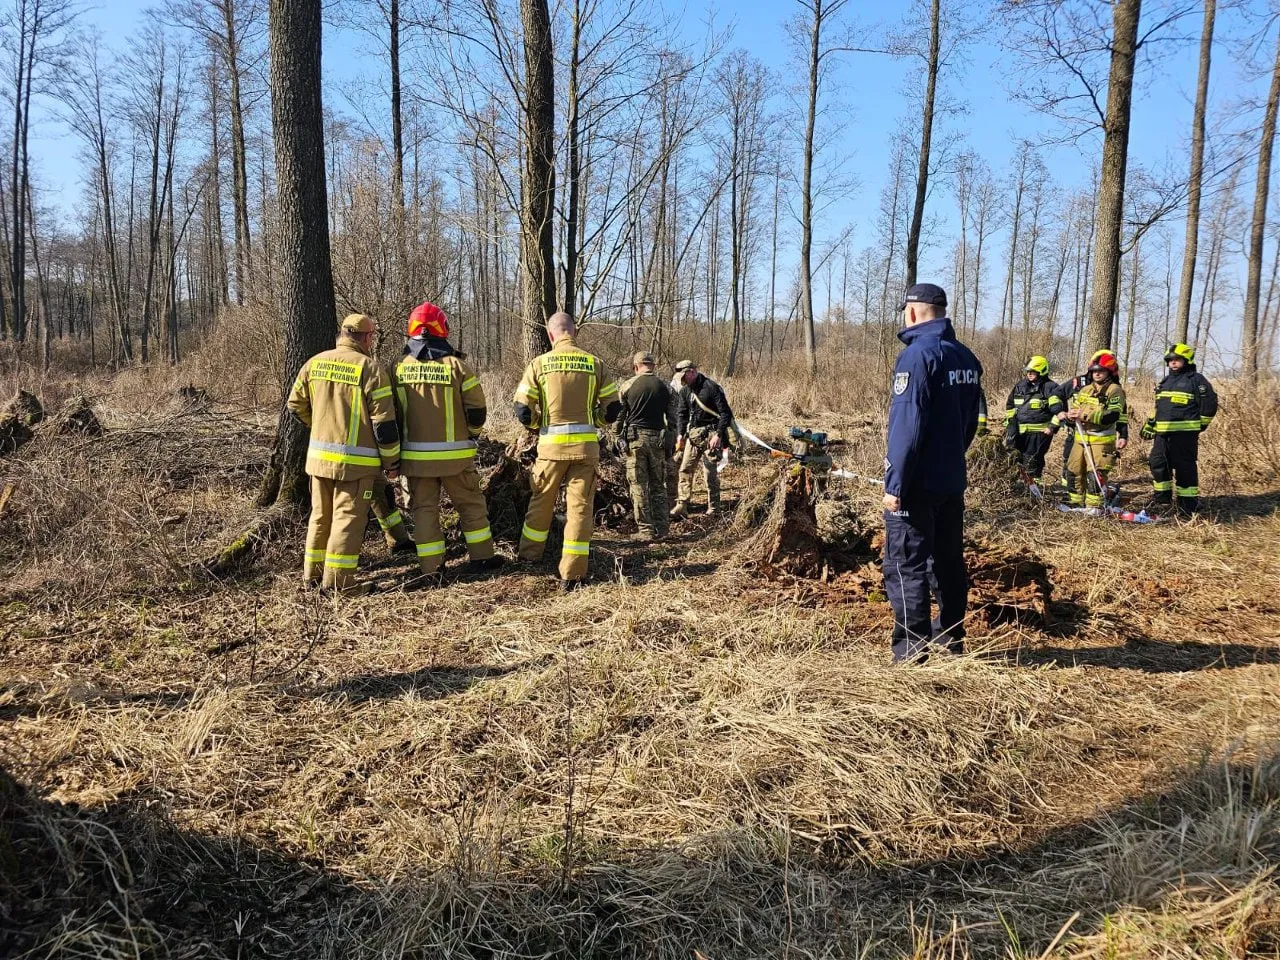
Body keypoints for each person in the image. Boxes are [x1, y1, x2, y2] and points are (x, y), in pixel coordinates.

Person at [882, 283, 983, 664]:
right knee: (947, 560)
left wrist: (895, 484)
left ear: (912, 312)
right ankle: (950, 638)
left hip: (916, 485)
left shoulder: (916, 357)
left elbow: (906, 426)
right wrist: (951, 458)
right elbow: (970, 423)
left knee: (905, 563)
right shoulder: (966, 358)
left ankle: (911, 651)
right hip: (950, 480)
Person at [287, 313, 401, 596]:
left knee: (320, 516)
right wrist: (391, 463)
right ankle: (339, 584)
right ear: (365, 337)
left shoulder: (313, 363)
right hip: (355, 465)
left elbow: (295, 404)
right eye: (371, 337)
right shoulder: (370, 369)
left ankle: (311, 576)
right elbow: (384, 427)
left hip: (317, 460)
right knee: (347, 519)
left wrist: (319, 425)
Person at [393, 301, 500, 579]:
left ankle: (431, 569)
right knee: (471, 506)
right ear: (443, 329)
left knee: (424, 510)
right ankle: (483, 559)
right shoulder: (457, 366)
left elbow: (388, 413)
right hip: (456, 458)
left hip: (415, 459)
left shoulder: (397, 368)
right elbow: (477, 410)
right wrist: (472, 436)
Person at [514, 312, 620, 590]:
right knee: (580, 510)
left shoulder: (539, 364)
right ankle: (572, 575)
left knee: (541, 503)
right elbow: (613, 409)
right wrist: (593, 421)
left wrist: (539, 424)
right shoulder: (595, 364)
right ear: (574, 333)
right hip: (585, 449)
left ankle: (528, 557)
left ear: (551, 335)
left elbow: (523, 410)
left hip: (550, 449)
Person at [1140, 342, 1217, 517]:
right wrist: (1151, 424)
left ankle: (1188, 505)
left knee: (1184, 467)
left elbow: (1209, 405)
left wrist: (1200, 425)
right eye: (1170, 360)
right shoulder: (1165, 381)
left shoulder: (1196, 380)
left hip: (1185, 435)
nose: (1173, 363)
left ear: (1187, 359)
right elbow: (1160, 408)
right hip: (1163, 433)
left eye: (1177, 360)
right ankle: (1162, 499)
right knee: (1157, 461)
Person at [1055, 350, 1125, 515]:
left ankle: (1095, 506)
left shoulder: (1115, 390)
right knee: (1073, 471)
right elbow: (1076, 409)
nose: (1097, 374)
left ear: (1110, 371)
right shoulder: (1085, 390)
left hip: (1100, 441)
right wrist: (1070, 416)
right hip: (1080, 439)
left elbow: (1113, 415)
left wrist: (1085, 415)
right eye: (1094, 371)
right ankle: (1074, 502)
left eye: (1101, 371)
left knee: (1095, 474)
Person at [617, 351, 674, 541]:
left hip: (636, 441)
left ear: (636, 366)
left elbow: (619, 416)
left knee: (639, 485)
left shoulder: (627, 386)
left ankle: (646, 530)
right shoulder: (666, 387)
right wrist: (670, 440)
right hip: (658, 439)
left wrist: (618, 436)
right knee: (659, 485)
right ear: (653, 366)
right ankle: (663, 529)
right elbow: (673, 419)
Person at [669, 360, 733, 519]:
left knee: (709, 473)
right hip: (693, 436)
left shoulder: (711, 388)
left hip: (712, 435)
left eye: (685, 376)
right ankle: (682, 504)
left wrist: (718, 435)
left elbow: (726, 413)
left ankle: (714, 508)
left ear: (692, 372)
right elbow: (682, 415)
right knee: (685, 469)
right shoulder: (684, 391)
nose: (683, 380)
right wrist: (680, 435)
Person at [1002, 355, 1062, 487]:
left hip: (1040, 432)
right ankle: (1018, 484)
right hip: (1019, 430)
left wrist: (1052, 427)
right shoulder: (1020, 386)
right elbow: (1010, 405)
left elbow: (1060, 411)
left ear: (1041, 371)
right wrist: (1010, 424)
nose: (1029, 374)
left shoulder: (1050, 387)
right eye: (1028, 372)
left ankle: (1034, 488)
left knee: (1033, 459)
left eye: (1032, 372)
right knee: (1015, 457)